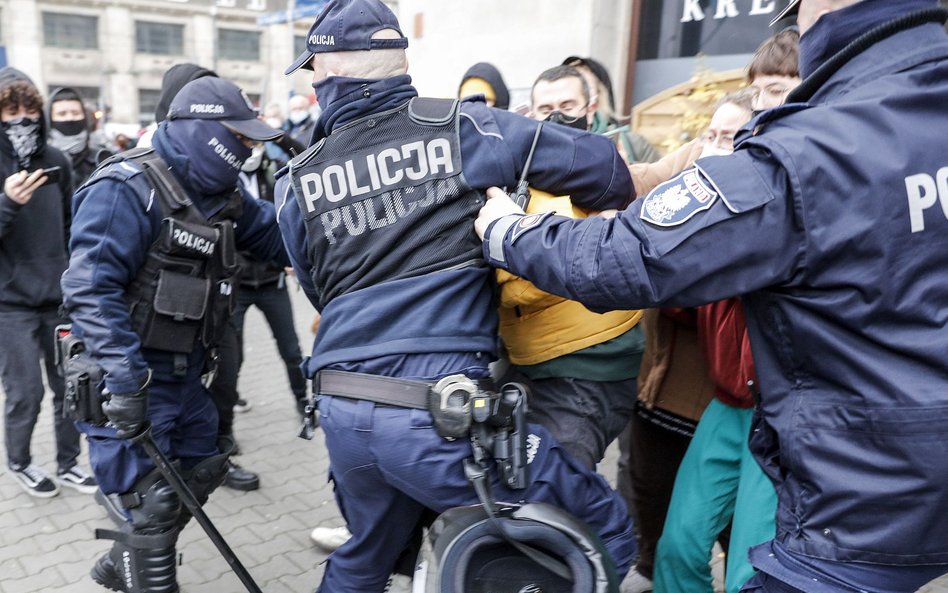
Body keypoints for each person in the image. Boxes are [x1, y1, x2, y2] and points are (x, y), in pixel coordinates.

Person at [477, 1, 948, 591]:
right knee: (680, 542)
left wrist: (507, 230)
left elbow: (628, 256)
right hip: (890, 471)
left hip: (856, 508)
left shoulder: (806, 152)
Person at [277, 0, 637, 590]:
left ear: (332, 69)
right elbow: (604, 168)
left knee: (365, 556)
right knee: (600, 528)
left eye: (313, 68)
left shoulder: (297, 177)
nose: (313, 81)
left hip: (341, 409)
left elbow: (320, 291)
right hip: (437, 416)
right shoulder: (467, 127)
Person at [61, 76, 286, 593]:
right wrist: (126, 379)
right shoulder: (125, 187)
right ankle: (141, 564)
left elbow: (278, 236)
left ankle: (124, 558)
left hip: (188, 377)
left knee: (204, 466)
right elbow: (90, 290)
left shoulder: (223, 196)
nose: (249, 149)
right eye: (241, 137)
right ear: (205, 131)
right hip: (132, 379)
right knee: (152, 503)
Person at [652, 90, 778, 593]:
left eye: (730, 136)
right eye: (711, 135)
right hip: (726, 403)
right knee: (678, 543)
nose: (717, 146)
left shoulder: (773, 203)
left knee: (751, 563)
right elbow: (678, 301)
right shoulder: (710, 206)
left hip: (779, 409)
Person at [496, 64, 645, 469]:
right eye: (545, 109)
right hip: (531, 362)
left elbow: (530, 280)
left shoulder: (605, 173)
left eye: (567, 105)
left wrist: (507, 245)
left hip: (588, 365)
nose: (556, 117)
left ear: (590, 106)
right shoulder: (523, 171)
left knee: (558, 490)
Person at [0, 67, 97, 498]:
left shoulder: (56, 161)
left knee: (69, 387)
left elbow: (71, 229)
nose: (20, 117)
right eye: (9, 109)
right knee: (26, 392)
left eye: (27, 108)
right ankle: (20, 461)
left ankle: (69, 462)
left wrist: (77, 285)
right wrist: (7, 203)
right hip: (9, 304)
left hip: (56, 300)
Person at [228, 145, 309, 418]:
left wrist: (287, 259)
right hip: (238, 283)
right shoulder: (225, 173)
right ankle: (226, 417)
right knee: (231, 355)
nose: (251, 149)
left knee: (291, 349)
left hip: (272, 280)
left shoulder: (275, 168)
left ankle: (302, 402)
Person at [562, 56, 659, 164]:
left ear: (599, 97)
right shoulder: (544, 143)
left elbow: (662, 179)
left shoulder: (633, 144)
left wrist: (627, 171)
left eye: (585, 89)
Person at [46, 87, 112, 190]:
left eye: (76, 113)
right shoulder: (41, 162)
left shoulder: (102, 158)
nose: (70, 118)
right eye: (62, 114)